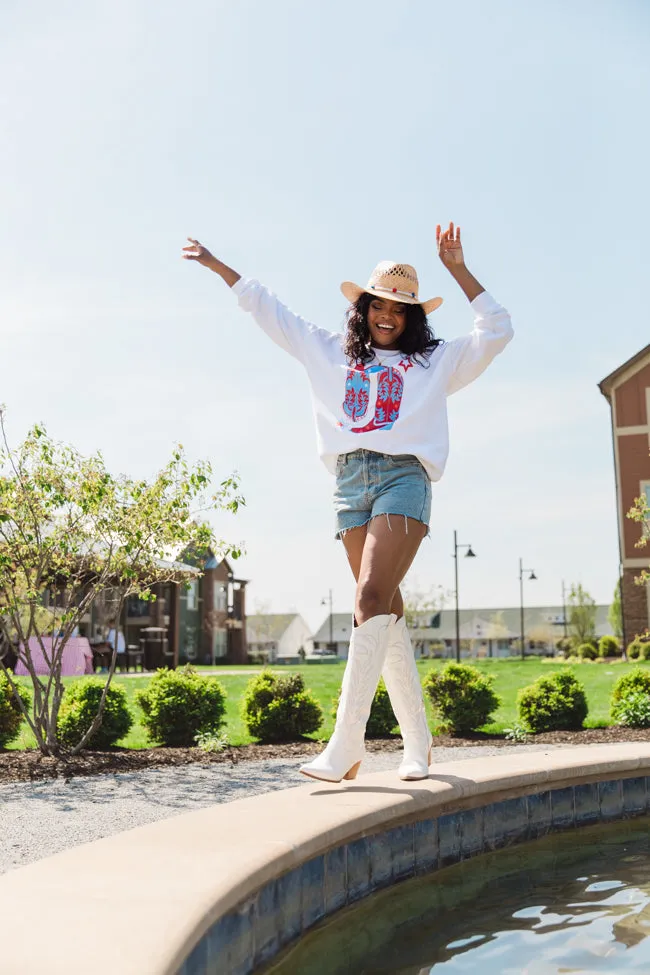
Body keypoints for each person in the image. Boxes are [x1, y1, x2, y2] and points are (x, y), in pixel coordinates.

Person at [183, 223, 513, 783]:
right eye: (378, 304)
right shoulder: (328, 350)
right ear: (362, 309)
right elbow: (268, 308)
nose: (388, 315)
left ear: (413, 317)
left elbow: (497, 328)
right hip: (348, 485)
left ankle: (346, 744)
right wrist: (218, 266)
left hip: (404, 478)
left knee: (367, 597)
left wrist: (457, 269)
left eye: (400, 309)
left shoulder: (435, 361)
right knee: (385, 611)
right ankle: (418, 745)